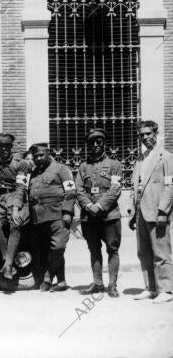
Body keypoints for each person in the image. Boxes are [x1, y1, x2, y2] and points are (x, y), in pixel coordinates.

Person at [14, 143, 76, 292]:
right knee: (50, 250)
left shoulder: (61, 168)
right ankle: (61, 281)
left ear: (48, 153)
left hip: (58, 216)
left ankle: (48, 278)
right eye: (36, 156)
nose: (39, 158)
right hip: (39, 218)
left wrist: (67, 212)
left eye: (42, 155)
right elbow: (21, 189)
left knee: (58, 247)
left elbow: (71, 191)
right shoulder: (32, 172)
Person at [75, 128, 123, 298]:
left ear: (104, 143)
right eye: (92, 142)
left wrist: (100, 206)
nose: (95, 145)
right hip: (89, 217)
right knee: (94, 250)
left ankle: (112, 285)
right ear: (88, 145)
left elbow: (116, 189)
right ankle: (98, 283)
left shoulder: (115, 165)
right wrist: (88, 206)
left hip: (109, 216)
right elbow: (78, 189)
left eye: (99, 141)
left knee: (112, 249)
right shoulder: (83, 167)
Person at [129, 120, 173, 304]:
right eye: (142, 135)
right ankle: (150, 288)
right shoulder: (140, 159)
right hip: (141, 212)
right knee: (144, 252)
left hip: (157, 211)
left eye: (148, 133)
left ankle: (167, 290)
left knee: (161, 252)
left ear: (156, 133)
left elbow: (170, 186)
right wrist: (132, 212)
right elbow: (135, 186)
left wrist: (163, 210)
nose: (145, 137)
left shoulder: (166, 156)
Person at [0, 132, 30, 279]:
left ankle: (9, 266)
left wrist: (16, 208)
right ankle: (6, 260)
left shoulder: (20, 163)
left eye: (7, 146)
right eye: (0, 146)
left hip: (15, 196)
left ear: (11, 147)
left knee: (15, 224)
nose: (4, 149)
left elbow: (21, 187)